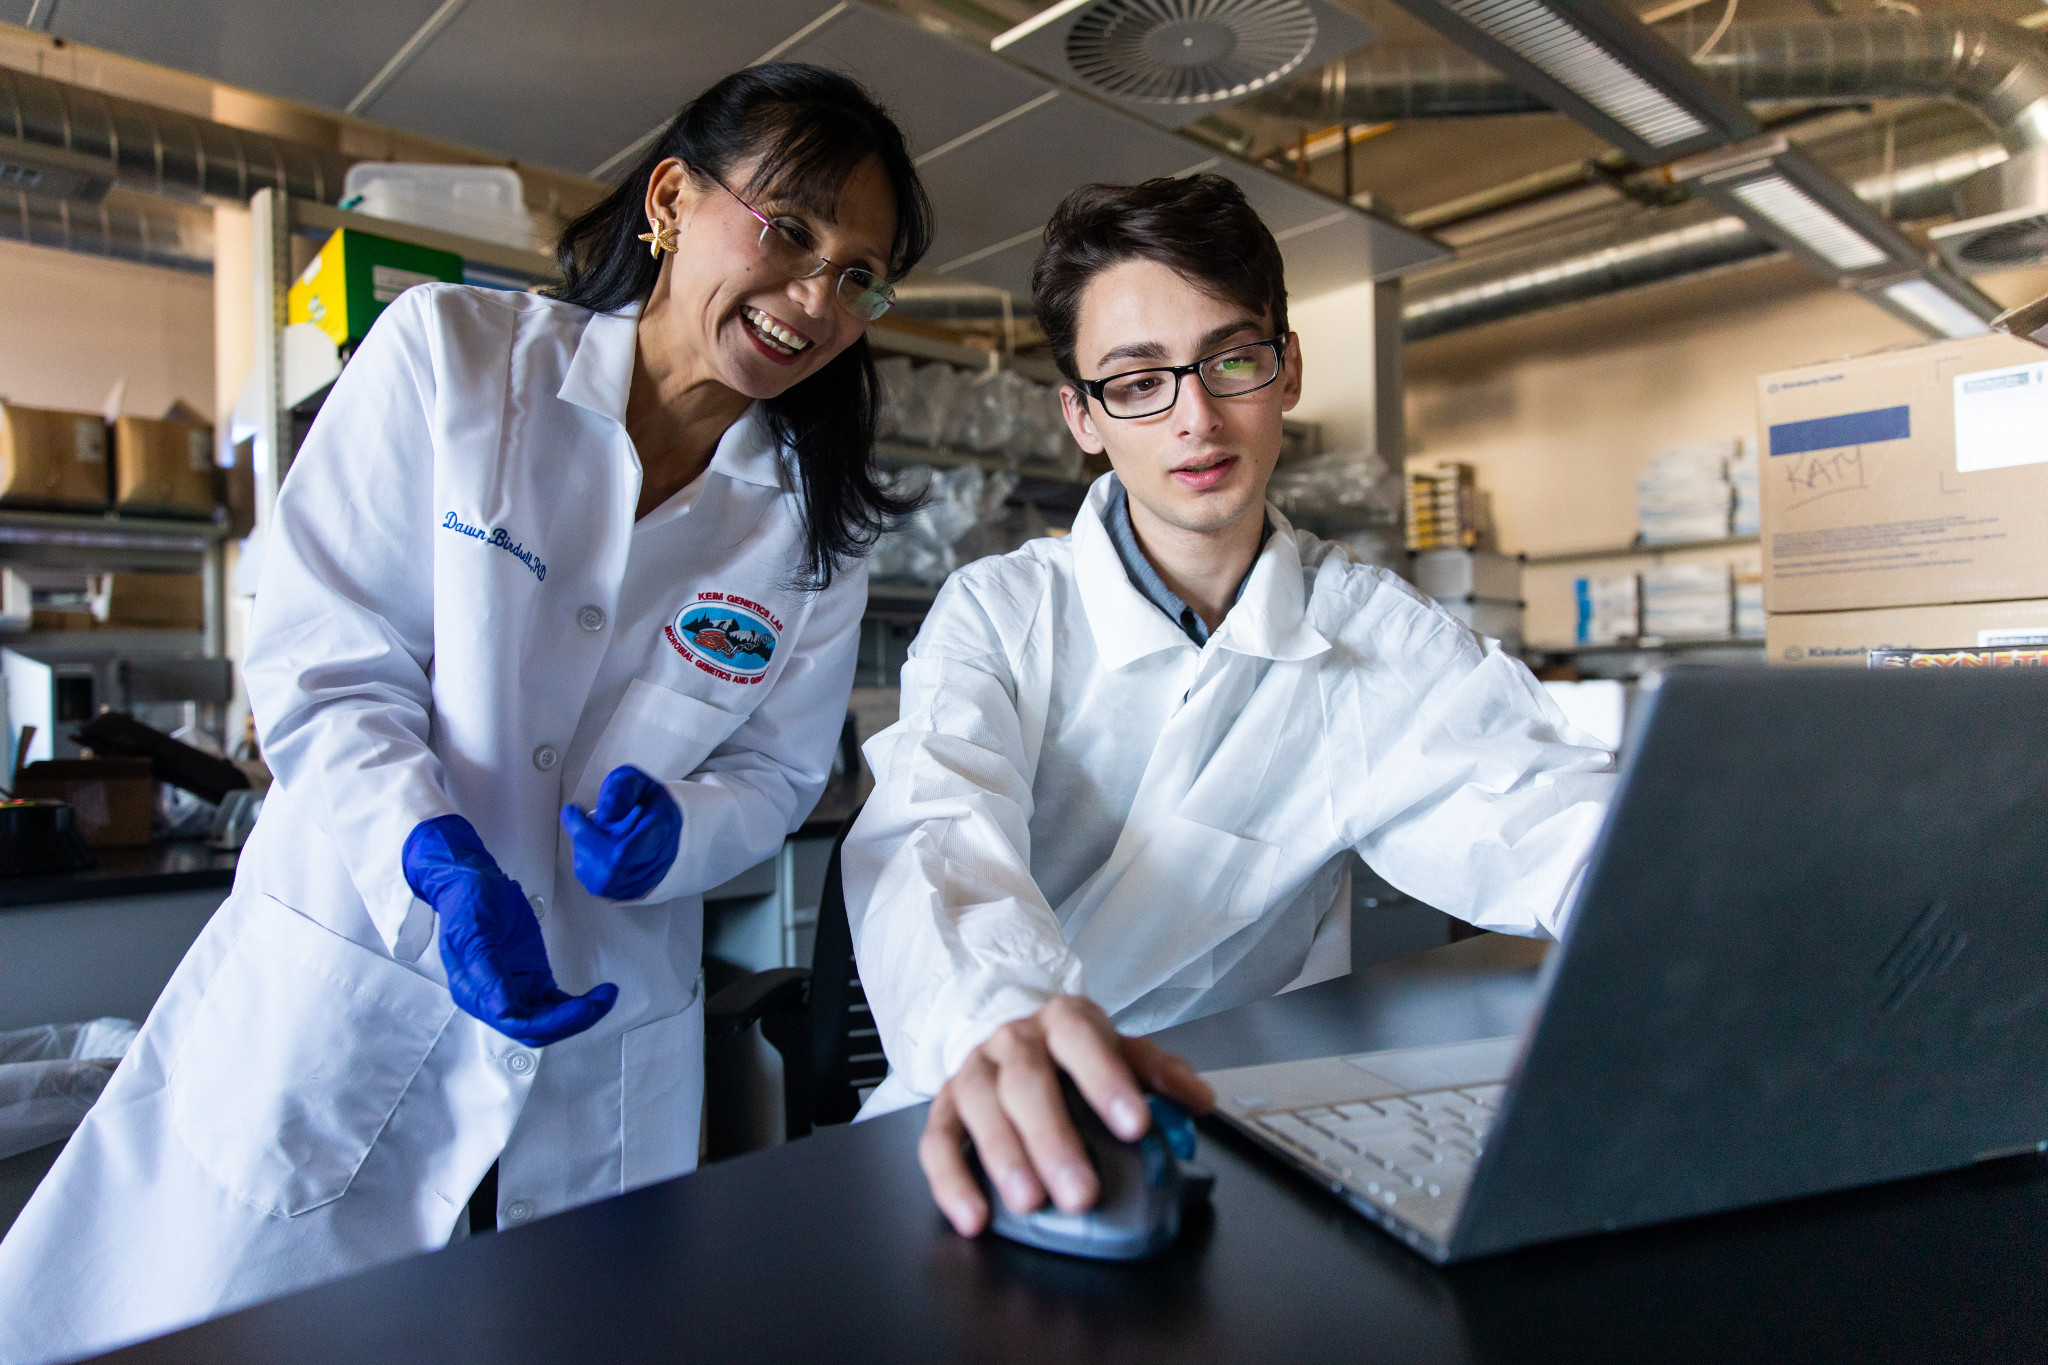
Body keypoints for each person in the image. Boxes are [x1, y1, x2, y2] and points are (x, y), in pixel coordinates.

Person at [0, 63, 931, 1363]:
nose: (816, 299)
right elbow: (328, 662)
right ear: (670, 197)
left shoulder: (812, 537)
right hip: (351, 993)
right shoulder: (454, 361)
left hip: (602, 1048)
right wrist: (428, 858)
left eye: (858, 275)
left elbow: (777, 776)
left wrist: (682, 829)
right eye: (789, 231)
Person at [841, 174, 1616, 1238]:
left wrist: (1730, 914)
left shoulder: (1371, 633)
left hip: (1242, 1126)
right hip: (988, 1097)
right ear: (1079, 415)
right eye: (1136, 383)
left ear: (1287, 368)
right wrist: (1004, 1024)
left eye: (1232, 360)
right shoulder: (1000, 613)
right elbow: (939, 834)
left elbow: (1549, 815)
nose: (1195, 418)